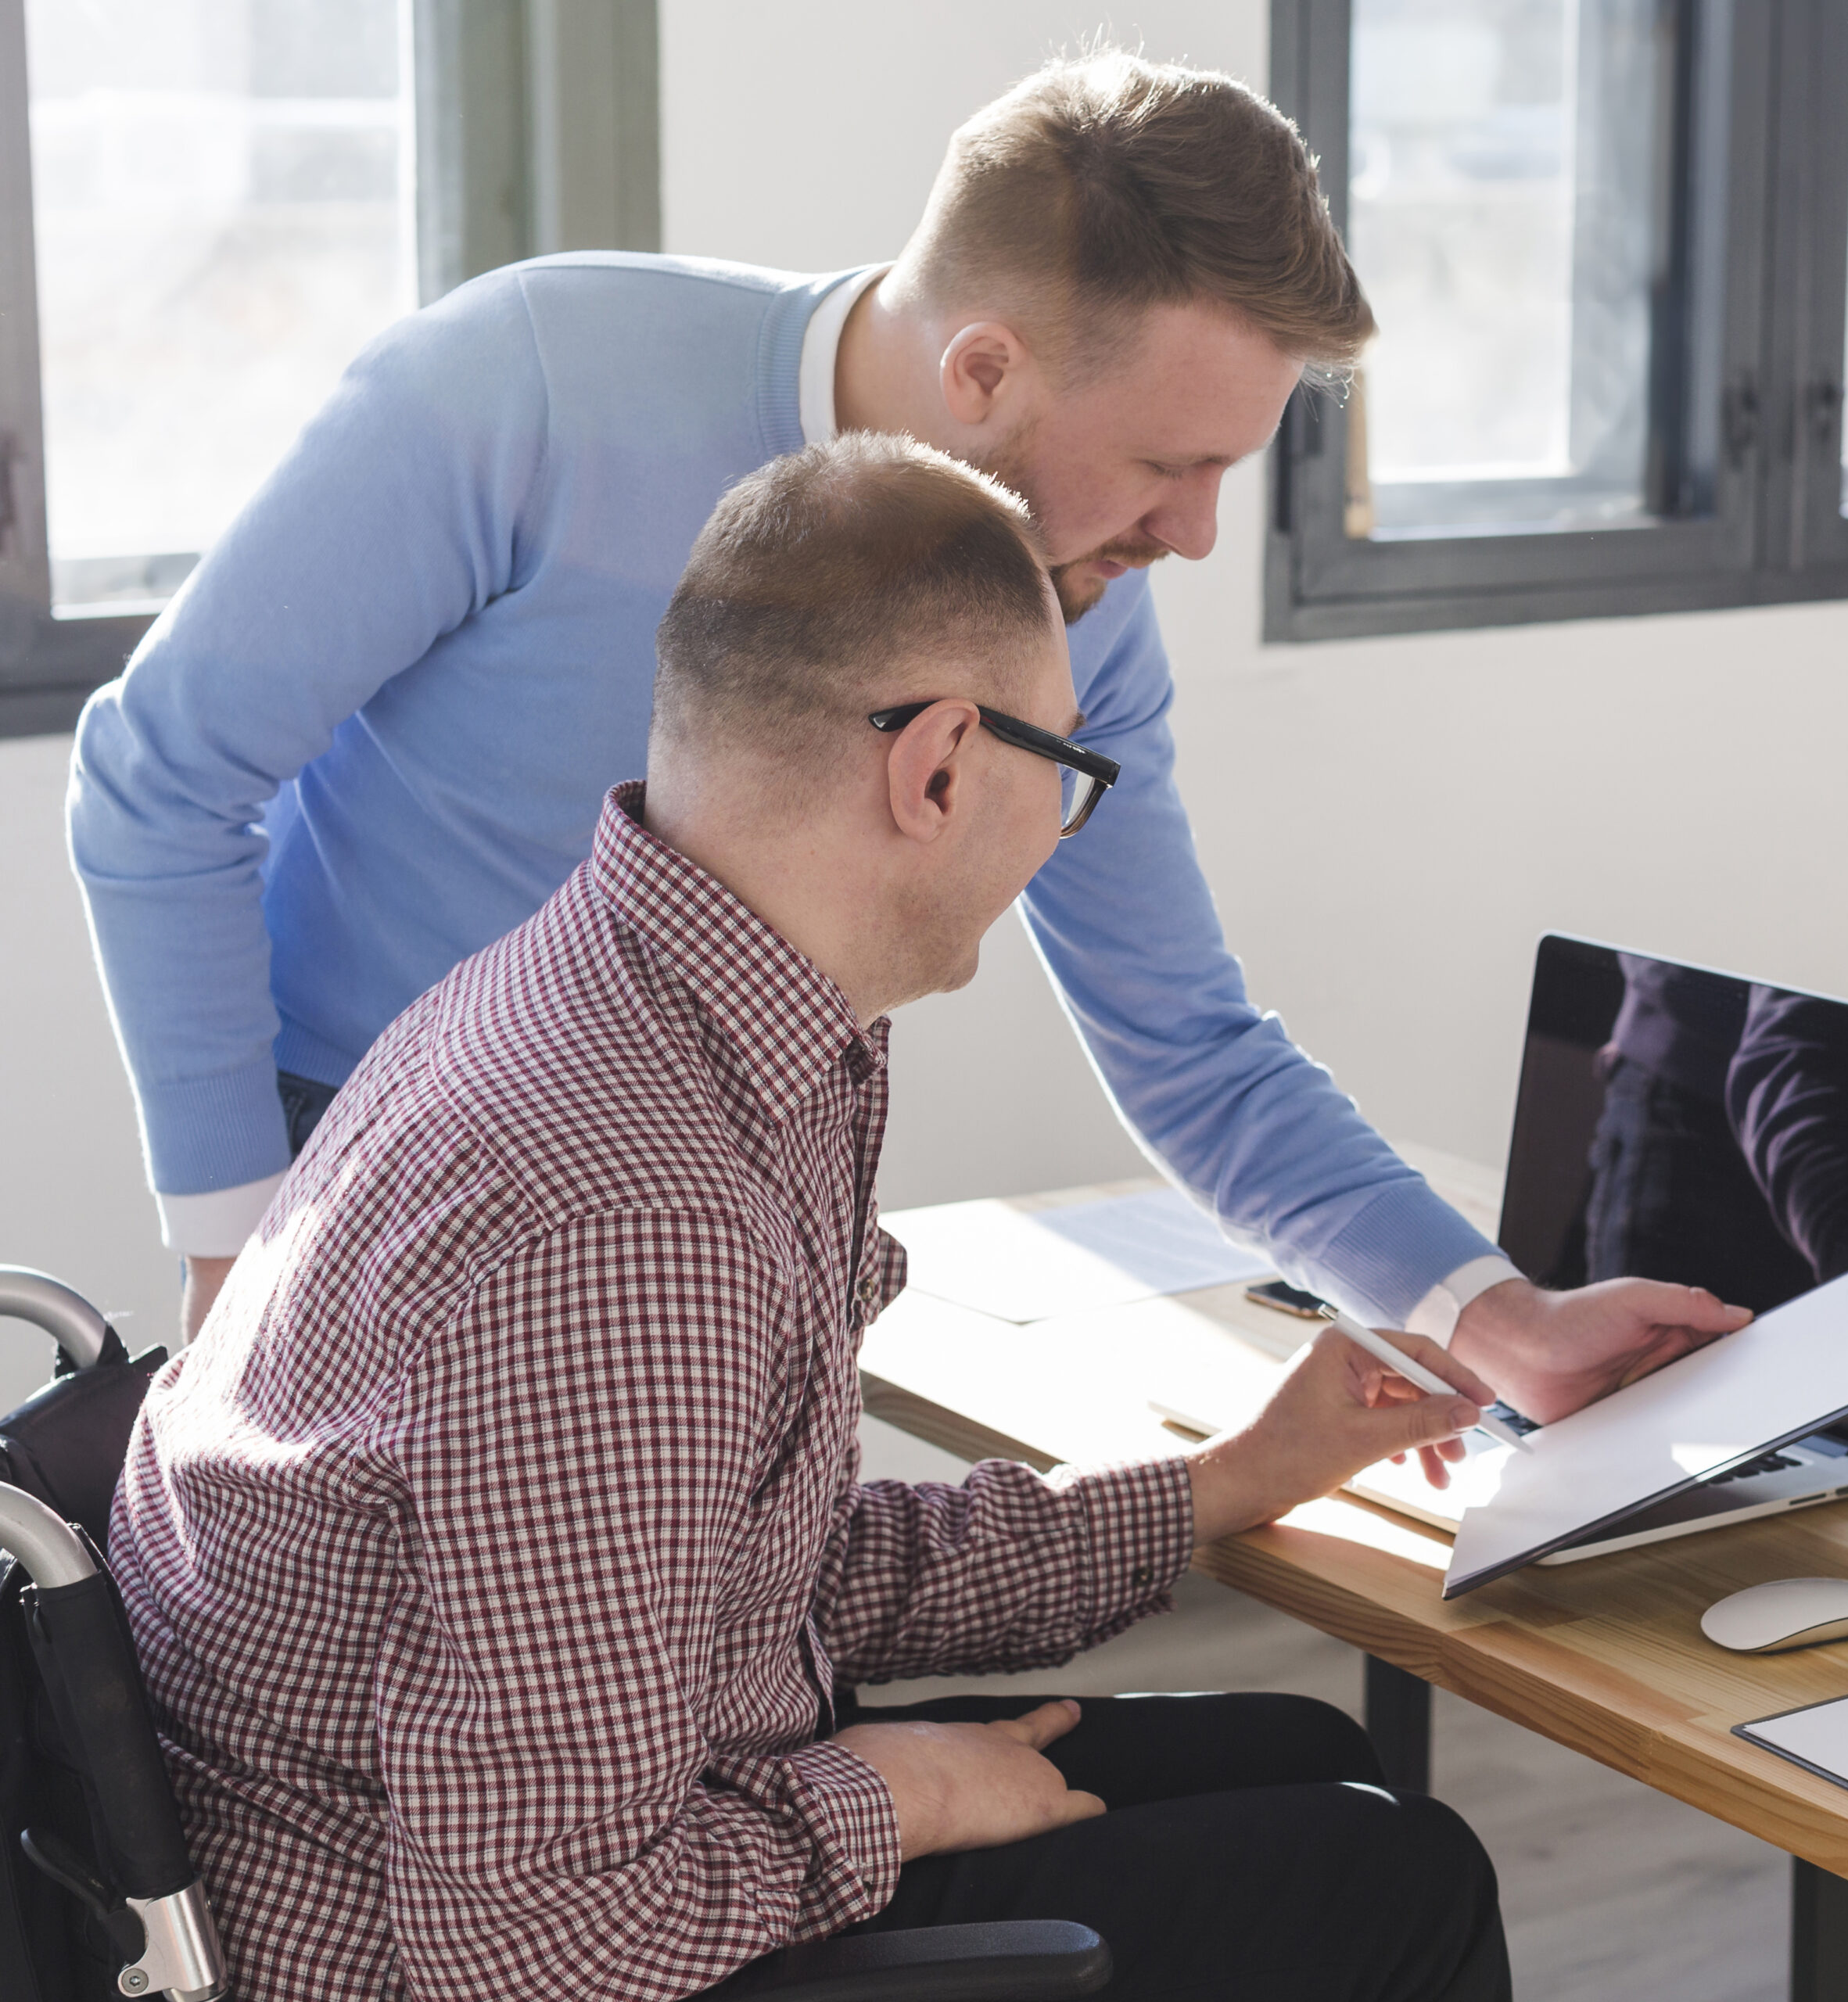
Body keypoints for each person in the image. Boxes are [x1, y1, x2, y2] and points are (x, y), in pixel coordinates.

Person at [70, 48, 1744, 1411]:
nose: (1193, 536)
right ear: (983, 370)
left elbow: (1184, 1035)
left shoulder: (1076, 594)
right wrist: (239, 1251)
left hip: (727, 1233)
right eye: (1172, 463)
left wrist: (1494, 1314)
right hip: (363, 1179)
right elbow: (160, 783)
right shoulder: (527, 383)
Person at [111, 437, 1510, 2001]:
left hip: (520, 1831)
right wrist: (892, 1796)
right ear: (936, 768)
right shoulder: (629, 1213)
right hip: (460, 1946)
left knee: (1303, 1749)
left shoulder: (620, 993)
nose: (1061, 826)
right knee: (1395, 1879)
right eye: (1072, 772)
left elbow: (752, 1563)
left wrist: (1229, 1481)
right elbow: (532, 1935)